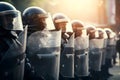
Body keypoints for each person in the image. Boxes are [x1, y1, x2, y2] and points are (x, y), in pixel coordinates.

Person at [23, 7, 61, 80]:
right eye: (41, 19)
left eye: (44, 19)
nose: (44, 22)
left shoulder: (43, 37)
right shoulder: (24, 39)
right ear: (32, 20)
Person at [0, 2, 26, 80]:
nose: (11, 21)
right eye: (7, 18)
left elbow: (24, 63)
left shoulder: (14, 39)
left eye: (12, 18)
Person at [53, 13, 74, 80]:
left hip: (66, 67)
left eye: (65, 24)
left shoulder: (66, 38)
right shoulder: (52, 38)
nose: (64, 26)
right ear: (55, 25)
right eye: (62, 24)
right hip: (56, 70)